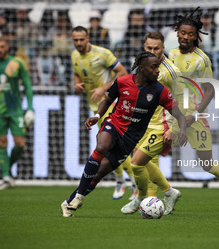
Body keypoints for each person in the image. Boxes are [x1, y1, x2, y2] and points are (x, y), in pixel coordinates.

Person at [60, 52, 188, 217]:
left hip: (130, 139)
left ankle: (68, 202)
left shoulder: (159, 91)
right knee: (102, 146)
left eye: (158, 66)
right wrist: (97, 117)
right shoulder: (121, 82)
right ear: (141, 68)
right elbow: (107, 101)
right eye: (154, 67)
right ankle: (79, 197)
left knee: (99, 173)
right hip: (114, 125)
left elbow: (179, 115)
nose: (158, 70)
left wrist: (182, 129)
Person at [168, 7, 219, 212]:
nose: (186, 37)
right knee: (148, 151)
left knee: (206, 163)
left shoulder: (202, 59)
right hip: (171, 112)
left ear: (196, 36)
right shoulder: (169, 54)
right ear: (177, 31)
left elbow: (210, 89)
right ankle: (152, 196)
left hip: (193, 116)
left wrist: (194, 114)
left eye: (190, 34)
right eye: (183, 32)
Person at [121, 32, 186, 215]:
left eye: (156, 48)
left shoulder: (171, 72)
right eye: (148, 48)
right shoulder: (143, 67)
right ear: (144, 47)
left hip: (162, 126)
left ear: (163, 48)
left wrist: (173, 129)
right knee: (142, 162)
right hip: (142, 124)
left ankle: (141, 198)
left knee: (136, 163)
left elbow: (181, 101)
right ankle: (169, 192)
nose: (152, 51)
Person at [69, 26, 137, 201]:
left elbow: (122, 73)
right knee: (106, 148)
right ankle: (121, 180)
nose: (78, 43)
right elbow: (77, 74)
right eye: (75, 40)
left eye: (81, 39)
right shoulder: (74, 56)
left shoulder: (103, 54)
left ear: (88, 37)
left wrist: (103, 88)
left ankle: (134, 183)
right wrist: (77, 84)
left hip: (110, 104)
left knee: (111, 146)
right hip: (94, 107)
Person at [0, 37, 34, 190]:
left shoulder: (16, 63)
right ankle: (6, 177)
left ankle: (7, 169)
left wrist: (30, 108)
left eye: (2, 46)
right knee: (2, 143)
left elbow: (28, 86)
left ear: (7, 47)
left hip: (15, 110)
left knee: (20, 144)